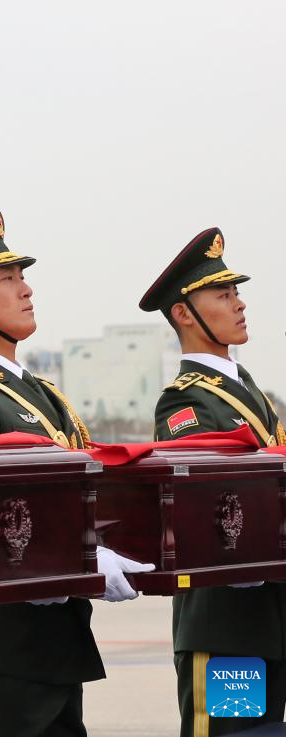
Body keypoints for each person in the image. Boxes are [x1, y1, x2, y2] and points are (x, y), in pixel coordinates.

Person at [0, 205, 154, 737]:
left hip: (58, 644)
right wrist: (67, 554)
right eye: (7, 278)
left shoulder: (45, 396)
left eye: (22, 275)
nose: (26, 289)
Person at [140, 226, 286, 737]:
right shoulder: (186, 401)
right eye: (222, 294)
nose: (239, 303)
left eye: (236, 291)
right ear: (184, 313)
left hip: (267, 620)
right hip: (225, 628)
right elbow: (203, 500)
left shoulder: (248, 391)